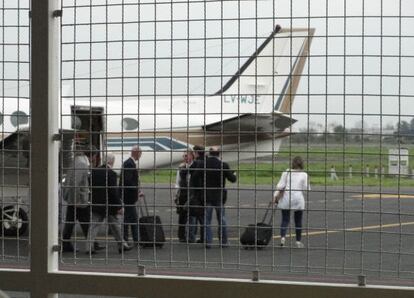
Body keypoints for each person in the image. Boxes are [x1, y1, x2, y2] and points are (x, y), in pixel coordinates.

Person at [86, 153, 131, 254]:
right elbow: (113, 192)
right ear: (111, 161)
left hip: (96, 203)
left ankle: (89, 247)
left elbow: (89, 186)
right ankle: (122, 245)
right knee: (115, 225)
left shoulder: (94, 172)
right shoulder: (111, 173)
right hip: (108, 204)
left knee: (93, 226)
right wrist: (119, 205)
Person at [61, 145, 97, 253]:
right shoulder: (82, 164)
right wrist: (76, 200)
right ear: (92, 155)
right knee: (85, 223)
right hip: (79, 200)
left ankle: (67, 244)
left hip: (76, 200)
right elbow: (75, 183)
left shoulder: (78, 160)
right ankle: (91, 245)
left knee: (72, 223)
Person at [273, 156, 310, 248]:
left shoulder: (286, 173)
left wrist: (275, 197)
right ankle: (298, 241)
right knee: (298, 221)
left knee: (285, 219)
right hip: (298, 198)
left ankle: (282, 239)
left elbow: (280, 186)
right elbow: (306, 188)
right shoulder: (304, 174)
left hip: (286, 197)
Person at [204, 146, 236, 248]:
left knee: (207, 221)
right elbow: (232, 179)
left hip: (207, 195)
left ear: (209, 153)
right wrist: (234, 174)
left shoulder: (204, 164)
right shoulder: (223, 165)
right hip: (219, 196)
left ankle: (208, 242)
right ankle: (223, 242)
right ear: (219, 154)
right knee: (222, 220)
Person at [120, 145, 142, 246]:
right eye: (140, 153)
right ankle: (128, 239)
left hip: (128, 196)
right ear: (136, 153)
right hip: (128, 197)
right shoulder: (129, 164)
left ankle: (135, 239)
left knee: (131, 219)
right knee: (130, 219)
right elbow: (128, 180)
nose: (141, 155)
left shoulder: (129, 163)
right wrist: (137, 191)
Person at [174, 149, 195, 242]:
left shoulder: (196, 166)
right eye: (184, 156)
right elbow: (177, 182)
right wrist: (176, 195)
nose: (184, 157)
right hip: (183, 194)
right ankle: (181, 236)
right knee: (182, 216)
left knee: (193, 215)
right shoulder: (181, 167)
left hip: (193, 194)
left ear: (192, 156)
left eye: (186, 155)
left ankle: (191, 235)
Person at [188, 145, 206, 244]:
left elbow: (191, 174)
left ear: (197, 153)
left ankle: (191, 237)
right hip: (204, 193)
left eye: (194, 153)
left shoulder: (196, 163)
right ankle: (204, 237)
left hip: (196, 193)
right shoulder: (206, 162)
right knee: (203, 217)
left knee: (192, 216)